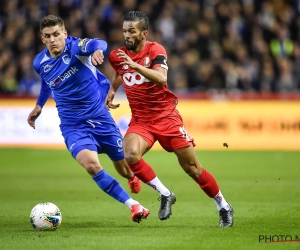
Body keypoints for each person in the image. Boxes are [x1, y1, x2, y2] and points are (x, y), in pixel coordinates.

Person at [107, 11, 234, 227]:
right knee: (130, 155)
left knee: (193, 169)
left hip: (166, 118)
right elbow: (120, 70)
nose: (126, 35)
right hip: (141, 120)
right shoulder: (117, 55)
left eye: (131, 31)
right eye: (124, 31)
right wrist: (112, 88)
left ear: (143, 33)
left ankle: (223, 206)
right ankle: (166, 194)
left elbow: (161, 77)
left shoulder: (156, 50)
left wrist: (136, 65)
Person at [27, 14, 149, 223]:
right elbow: (47, 82)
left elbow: (98, 42)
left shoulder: (75, 47)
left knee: (124, 168)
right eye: (48, 36)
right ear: (42, 39)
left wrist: (96, 51)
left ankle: (131, 177)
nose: (53, 39)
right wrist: (39, 104)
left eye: (57, 34)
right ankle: (134, 206)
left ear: (64, 34)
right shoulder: (40, 62)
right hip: (73, 125)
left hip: (100, 118)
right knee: (92, 165)